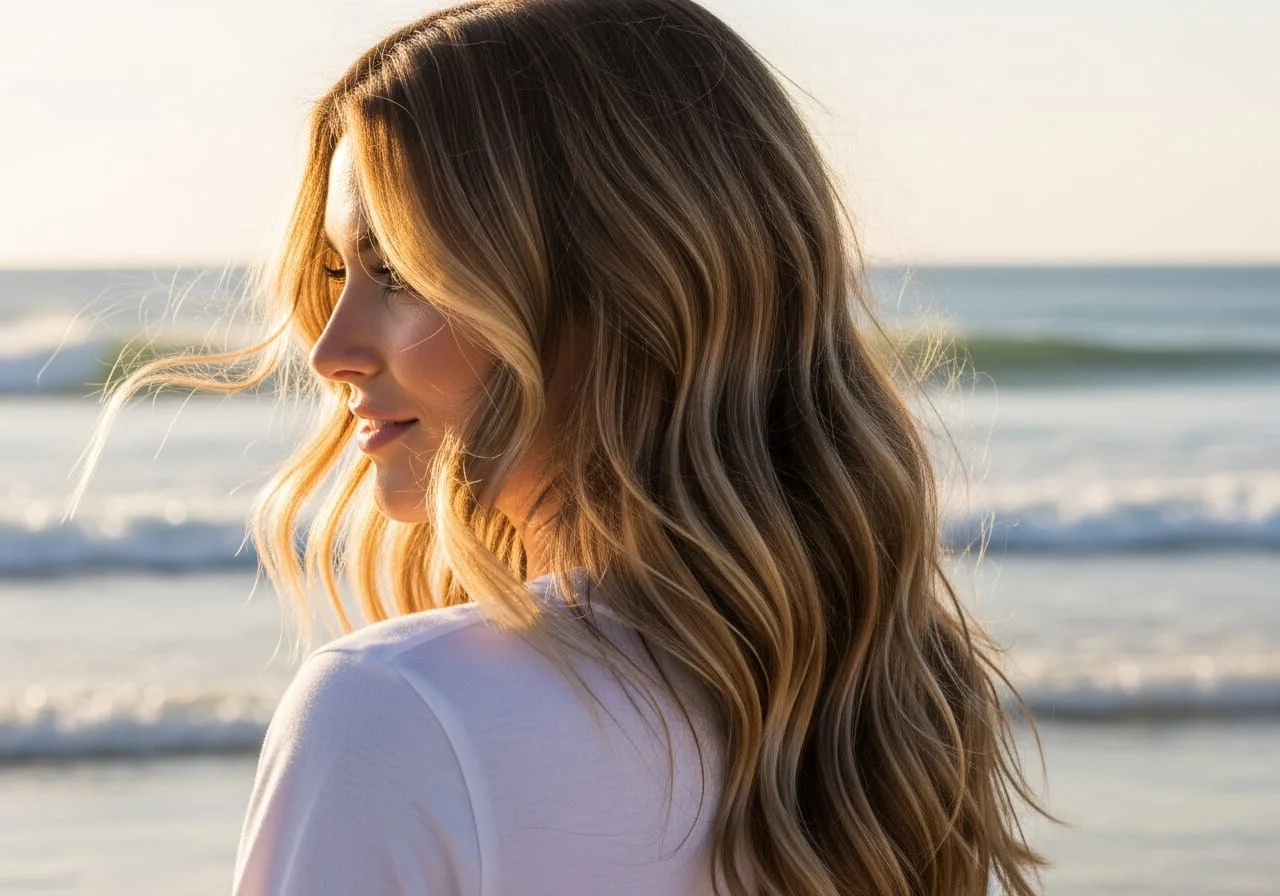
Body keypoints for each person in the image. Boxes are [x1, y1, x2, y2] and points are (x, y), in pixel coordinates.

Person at [81, 0, 1049, 892]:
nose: (331, 349)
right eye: (336, 271)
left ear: (616, 290)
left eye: (402, 272)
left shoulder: (399, 714)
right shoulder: (891, 713)